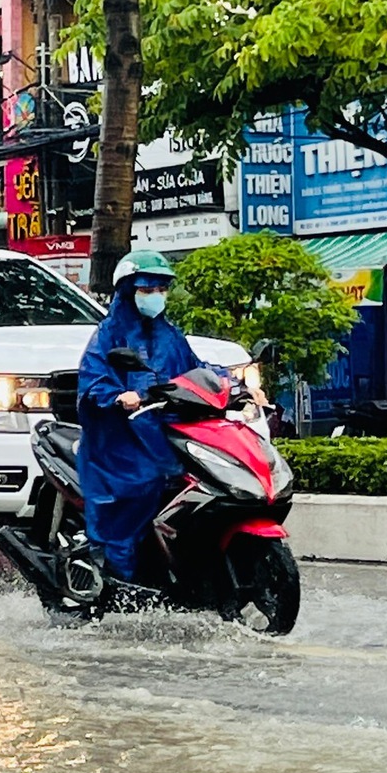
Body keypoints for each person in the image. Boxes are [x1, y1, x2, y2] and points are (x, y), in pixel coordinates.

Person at [78, 249, 262, 582]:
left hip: (166, 432)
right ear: (128, 292)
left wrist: (238, 384)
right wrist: (119, 396)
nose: (156, 297)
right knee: (142, 486)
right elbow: (93, 381)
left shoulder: (170, 335)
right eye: (147, 290)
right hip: (120, 440)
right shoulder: (108, 335)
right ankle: (119, 577)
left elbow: (198, 369)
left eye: (161, 290)